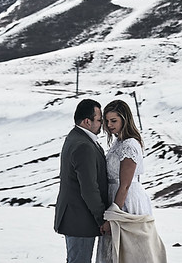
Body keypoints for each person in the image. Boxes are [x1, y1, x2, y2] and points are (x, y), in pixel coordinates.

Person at [98, 99, 167, 263]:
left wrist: (113, 217)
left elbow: (125, 185)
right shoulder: (118, 142)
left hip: (126, 200)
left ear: (124, 119)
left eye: (114, 121)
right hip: (116, 196)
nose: (109, 125)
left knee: (131, 250)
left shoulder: (129, 145)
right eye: (107, 121)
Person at [55, 98, 111, 263]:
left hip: (76, 216)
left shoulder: (75, 137)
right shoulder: (83, 145)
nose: (102, 124)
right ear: (87, 121)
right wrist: (102, 218)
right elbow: (89, 188)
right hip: (80, 219)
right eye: (99, 120)